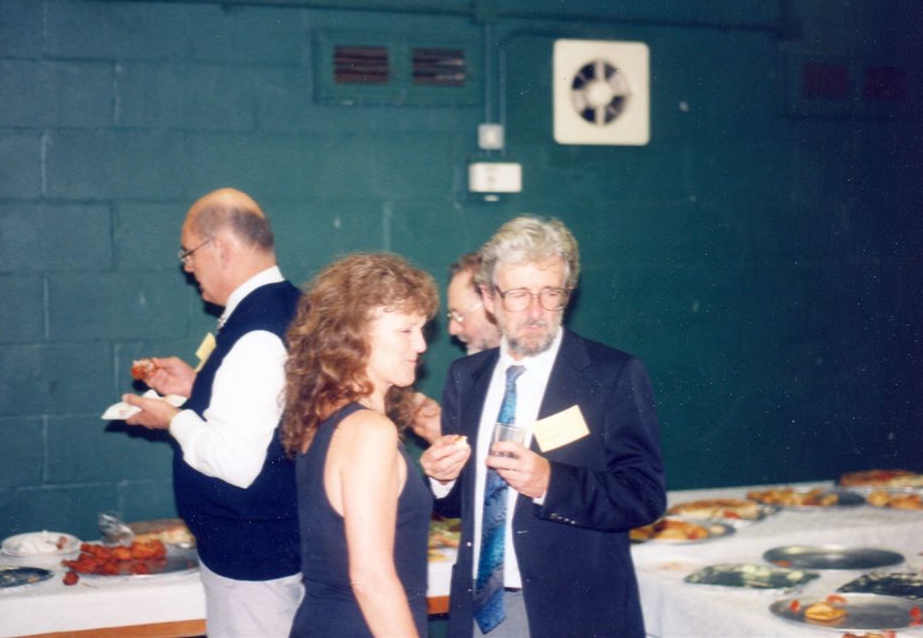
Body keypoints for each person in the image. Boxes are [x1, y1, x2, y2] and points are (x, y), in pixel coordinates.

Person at [420, 215, 666, 638]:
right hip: (479, 607)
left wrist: (551, 483)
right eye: (518, 294)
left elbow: (643, 497)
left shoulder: (611, 374)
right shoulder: (466, 377)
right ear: (489, 297)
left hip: (575, 615)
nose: (535, 312)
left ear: (567, 295)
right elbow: (466, 504)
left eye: (550, 293)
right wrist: (443, 480)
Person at [123, 188, 302, 636]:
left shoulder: (256, 333)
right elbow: (270, 412)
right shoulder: (291, 305)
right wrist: (196, 389)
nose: (187, 267)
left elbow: (236, 463)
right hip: (275, 552)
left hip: (254, 564)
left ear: (219, 248)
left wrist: (172, 419)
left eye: (189, 253)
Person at [281, 253, 438, 637]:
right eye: (406, 330)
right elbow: (371, 580)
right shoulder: (370, 431)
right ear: (356, 335)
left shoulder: (324, 416)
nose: (420, 344)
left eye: (421, 330)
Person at [408, 252, 502, 445]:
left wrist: (448, 440)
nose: (452, 329)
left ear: (491, 303)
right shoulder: (471, 374)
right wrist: (448, 423)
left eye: (459, 315)